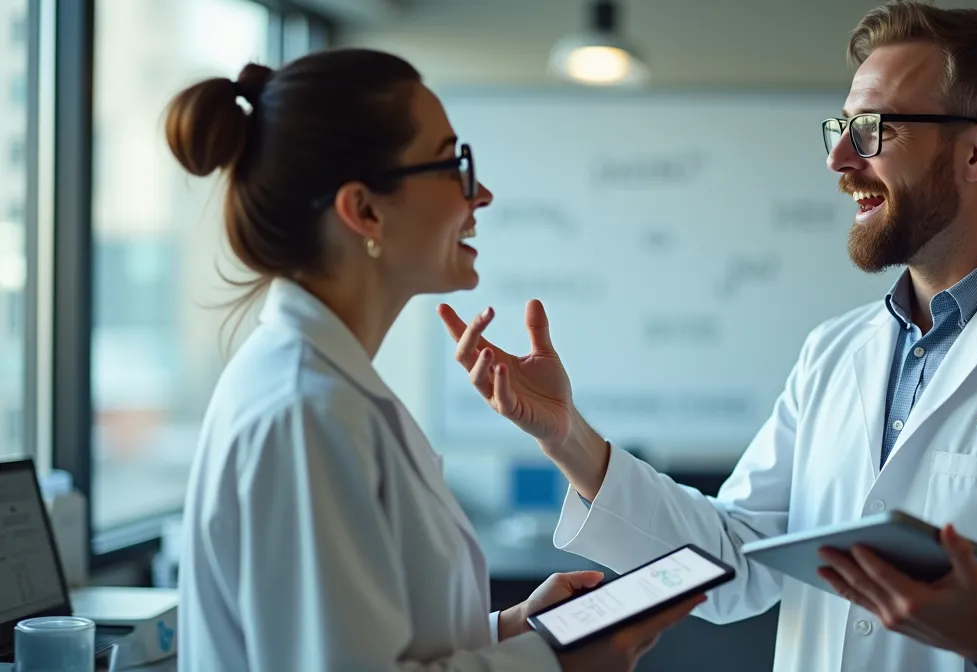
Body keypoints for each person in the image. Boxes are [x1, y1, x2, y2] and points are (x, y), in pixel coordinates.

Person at [438, 2, 977, 670]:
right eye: (841, 128)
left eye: (873, 129)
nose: (840, 159)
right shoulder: (835, 353)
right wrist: (568, 436)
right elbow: (735, 562)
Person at [168, 48, 702, 672]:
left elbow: (370, 643)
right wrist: (555, 663)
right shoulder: (306, 412)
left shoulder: (326, 390)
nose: (483, 195)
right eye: (454, 165)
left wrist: (510, 632)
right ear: (365, 210)